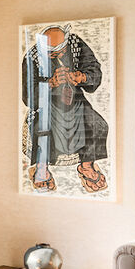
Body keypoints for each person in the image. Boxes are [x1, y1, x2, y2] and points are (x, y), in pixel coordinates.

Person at [21, 24, 109, 193]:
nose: (58, 56)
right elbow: (27, 95)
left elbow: (94, 70)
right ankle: (41, 168)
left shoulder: (76, 44)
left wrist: (81, 77)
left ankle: (86, 166)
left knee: (98, 125)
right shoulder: (32, 57)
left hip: (76, 101)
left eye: (61, 52)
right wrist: (50, 83)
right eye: (52, 53)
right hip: (45, 106)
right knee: (41, 130)